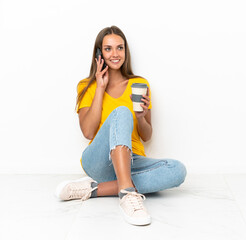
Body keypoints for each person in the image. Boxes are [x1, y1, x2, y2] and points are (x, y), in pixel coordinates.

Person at [55, 26, 187, 226]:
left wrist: (141, 117)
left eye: (120, 48)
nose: (115, 54)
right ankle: (127, 193)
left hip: (132, 161)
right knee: (122, 112)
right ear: (99, 53)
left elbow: (147, 135)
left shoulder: (139, 84)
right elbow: (88, 131)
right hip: (100, 161)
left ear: (126, 51)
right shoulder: (86, 86)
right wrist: (100, 87)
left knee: (178, 170)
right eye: (108, 49)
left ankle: (92, 189)